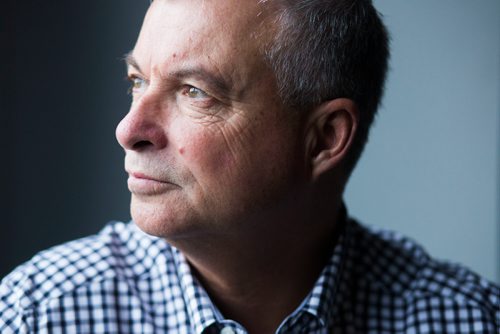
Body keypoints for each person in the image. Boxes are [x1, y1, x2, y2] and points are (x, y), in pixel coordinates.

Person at [1, 0, 498, 333]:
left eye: (195, 92)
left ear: (325, 137)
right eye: (137, 80)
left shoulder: (468, 320)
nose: (128, 129)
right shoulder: (36, 314)